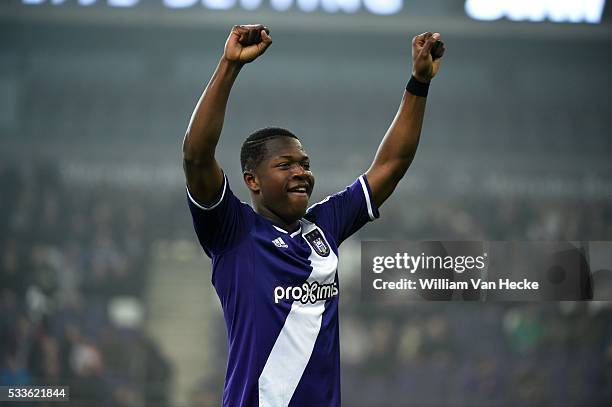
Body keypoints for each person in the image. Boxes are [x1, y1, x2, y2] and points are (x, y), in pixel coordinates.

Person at [182, 24, 445, 407]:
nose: (301, 172)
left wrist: (419, 83)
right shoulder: (232, 231)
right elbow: (196, 156)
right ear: (252, 180)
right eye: (285, 164)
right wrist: (229, 66)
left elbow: (393, 163)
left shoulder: (325, 226)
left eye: (305, 164)